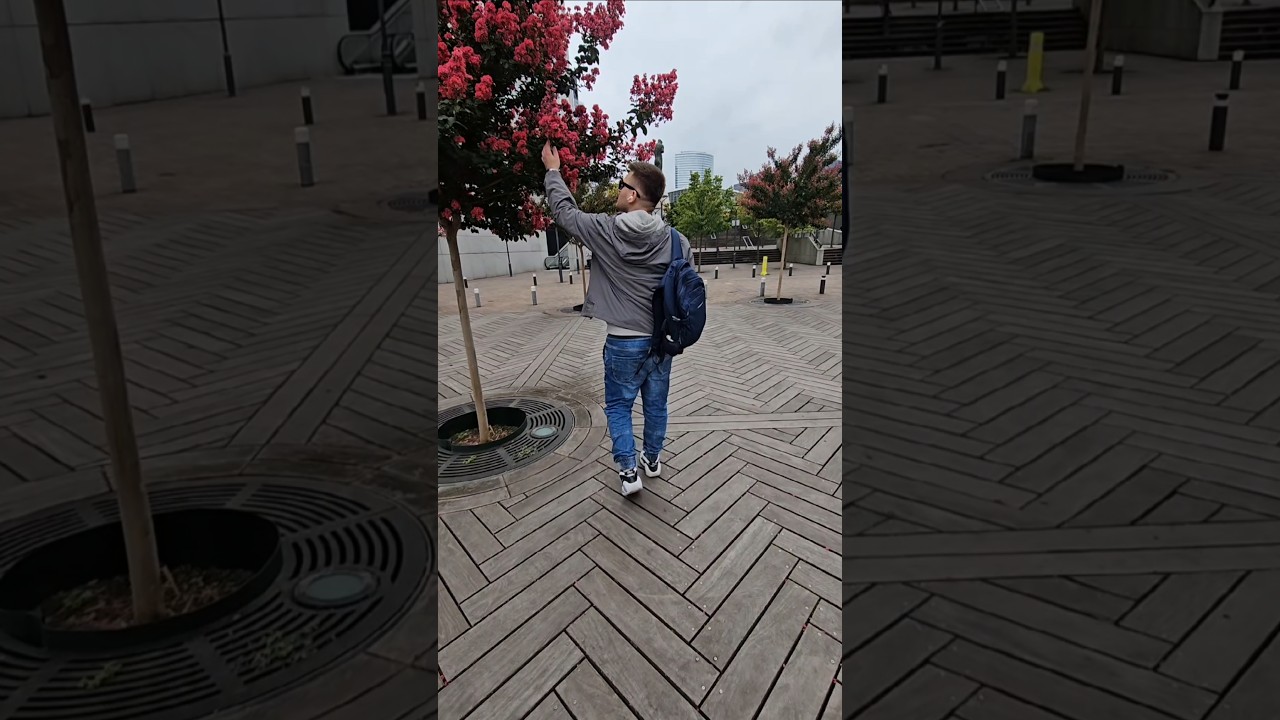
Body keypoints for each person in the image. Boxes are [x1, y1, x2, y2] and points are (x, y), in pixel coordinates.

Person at [541, 141, 691, 496]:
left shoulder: (605, 230)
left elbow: (564, 212)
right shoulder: (677, 242)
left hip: (623, 341)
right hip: (662, 341)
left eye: (623, 184)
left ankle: (628, 471)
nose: (618, 189)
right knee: (656, 404)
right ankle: (651, 459)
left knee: (619, 406)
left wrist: (553, 172)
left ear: (633, 195)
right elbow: (686, 290)